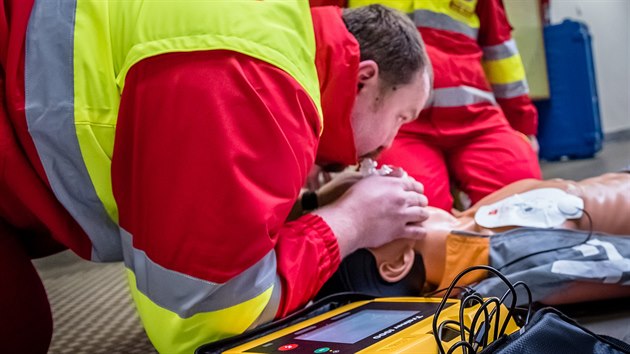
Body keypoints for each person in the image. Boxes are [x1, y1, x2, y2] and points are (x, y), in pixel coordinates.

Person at [0, 2, 432, 353]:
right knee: (20, 328)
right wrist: (351, 223)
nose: (387, 147)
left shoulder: (277, 31)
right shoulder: (254, 73)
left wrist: (313, 207)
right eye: (401, 117)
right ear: (363, 79)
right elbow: (203, 317)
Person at [311, 0, 542, 211]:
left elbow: (501, 52)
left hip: (476, 117)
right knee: (410, 212)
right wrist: (316, 145)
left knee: (526, 205)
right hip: (396, 123)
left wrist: (523, 125)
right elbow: (320, 41)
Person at [318, 171, 630, 305]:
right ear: (397, 263)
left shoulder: (468, 222)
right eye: (365, 209)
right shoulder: (513, 269)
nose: (376, 188)